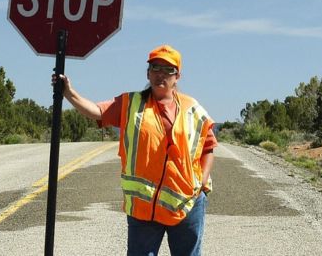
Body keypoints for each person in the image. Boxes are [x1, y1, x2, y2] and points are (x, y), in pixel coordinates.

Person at [55, 44, 216, 256]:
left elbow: (208, 147)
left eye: (169, 70)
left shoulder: (192, 108)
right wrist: (68, 92)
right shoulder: (130, 103)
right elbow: (97, 111)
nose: (161, 74)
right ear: (148, 72)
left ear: (177, 76)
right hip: (144, 207)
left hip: (187, 203)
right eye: (156, 67)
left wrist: (201, 183)